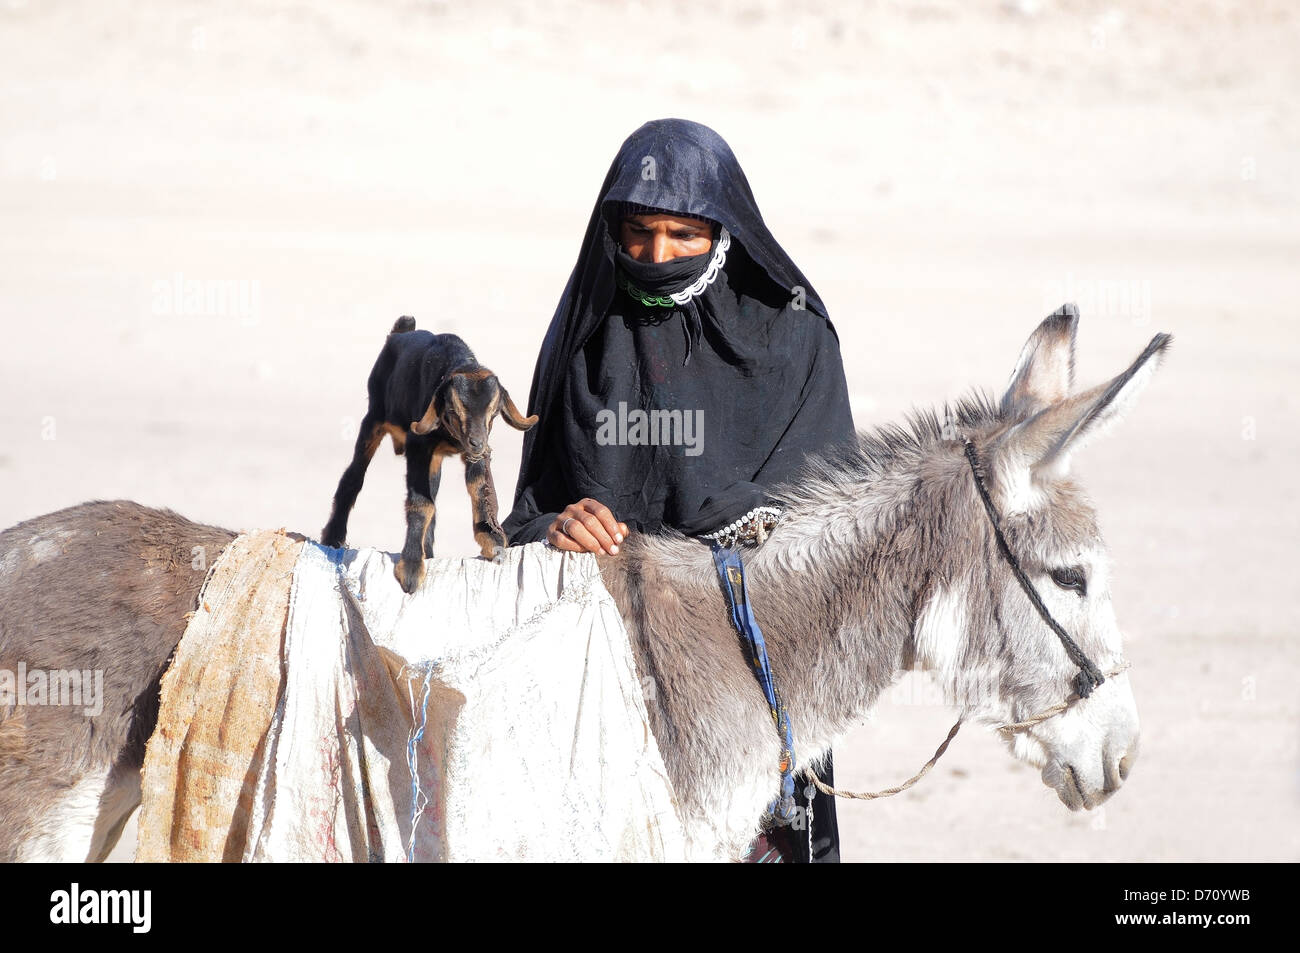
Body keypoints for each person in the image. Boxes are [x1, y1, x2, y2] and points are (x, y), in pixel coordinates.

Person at [503, 118, 856, 862]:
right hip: (607, 682)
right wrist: (559, 528)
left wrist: (735, 527)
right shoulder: (585, 340)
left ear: (725, 231)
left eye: (681, 235)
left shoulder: (795, 339)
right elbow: (522, 522)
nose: (656, 256)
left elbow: (832, 541)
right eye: (637, 233)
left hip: (753, 685)